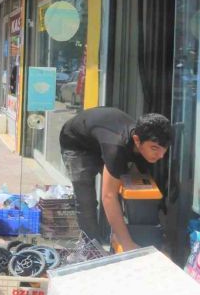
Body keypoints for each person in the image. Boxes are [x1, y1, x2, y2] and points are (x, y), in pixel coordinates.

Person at [59, 107, 172, 251]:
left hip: (101, 139)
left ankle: (117, 235)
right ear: (137, 140)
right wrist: (128, 245)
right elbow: (108, 196)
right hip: (76, 142)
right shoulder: (116, 148)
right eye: (155, 148)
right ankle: (91, 248)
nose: (161, 156)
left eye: (164, 149)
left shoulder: (144, 142)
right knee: (86, 199)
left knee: (125, 186)